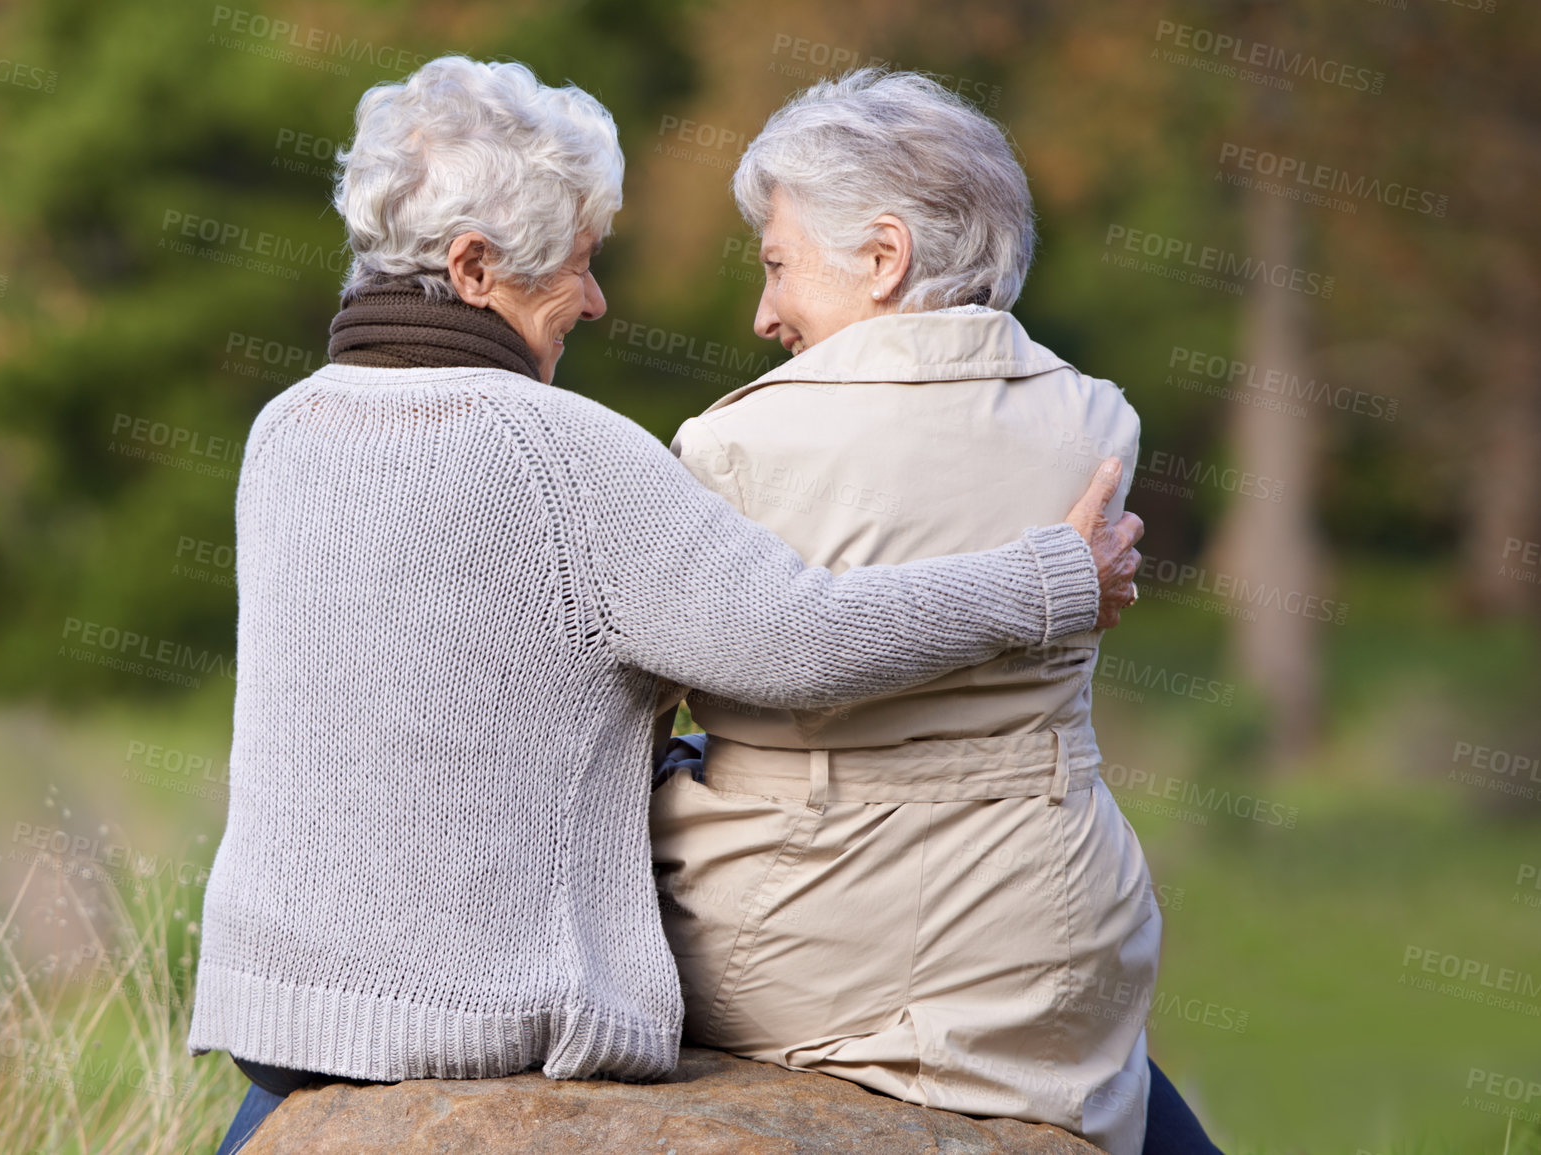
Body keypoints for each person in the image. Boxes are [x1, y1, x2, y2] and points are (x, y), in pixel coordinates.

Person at [186, 56, 1143, 1155]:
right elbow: (796, 640)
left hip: (277, 1008)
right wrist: (1053, 579)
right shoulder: (564, 454)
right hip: (471, 1017)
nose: (596, 299)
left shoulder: (285, 430)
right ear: (474, 267)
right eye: (580, 265)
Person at [649, 70, 1221, 1155]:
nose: (762, 313)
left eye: (776, 266)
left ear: (883, 255)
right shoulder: (1100, 423)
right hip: (1049, 945)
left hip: (793, 943)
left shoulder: (732, 445)